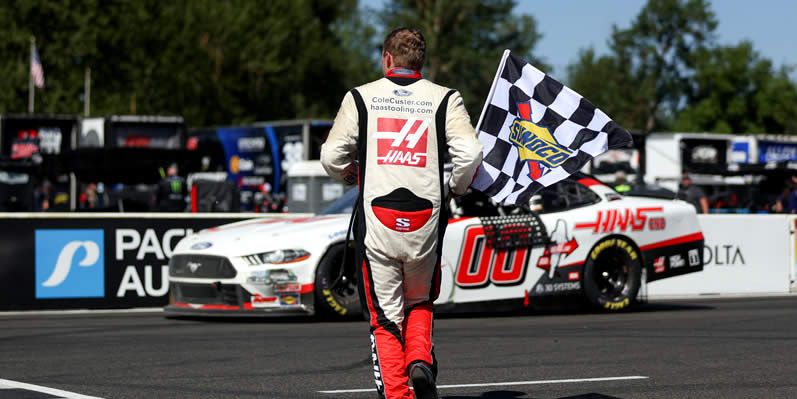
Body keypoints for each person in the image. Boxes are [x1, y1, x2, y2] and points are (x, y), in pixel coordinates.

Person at [320, 27, 482, 399]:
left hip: (378, 222)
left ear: (387, 59)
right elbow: (471, 154)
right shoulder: (445, 98)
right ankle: (419, 361)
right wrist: (457, 186)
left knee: (385, 317)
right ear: (419, 62)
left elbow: (331, 157)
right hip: (426, 221)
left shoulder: (361, 97)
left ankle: (398, 394)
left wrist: (348, 172)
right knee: (420, 300)